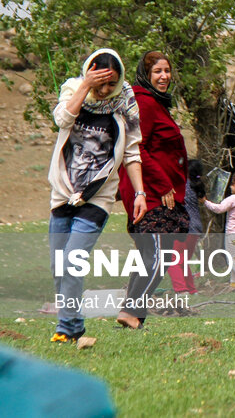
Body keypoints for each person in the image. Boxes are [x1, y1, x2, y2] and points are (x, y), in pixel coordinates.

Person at [47, 49, 146, 342]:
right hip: (63, 192)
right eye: (101, 83)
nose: (106, 90)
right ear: (89, 72)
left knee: (71, 260)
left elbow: (131, 151)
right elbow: (62, 120)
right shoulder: (73, 89)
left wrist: (139, 192)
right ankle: (75, 324)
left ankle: (65, 330)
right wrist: (85, 86)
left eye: (111, 84)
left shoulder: (125, 103)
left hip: (98, 196)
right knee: (58, 265)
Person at [117, 51, 189, 329]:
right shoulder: (144, 103)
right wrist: (163, 184)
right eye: (157, 71)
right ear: (146, 75)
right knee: (157, 256)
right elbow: (137, 148)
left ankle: (133, 316)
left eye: (167, 71)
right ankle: (131, 313)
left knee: (155, 255)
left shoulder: (157, 103)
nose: (164, 76)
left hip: (162, 193)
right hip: (149, 193)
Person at [201, 171, 235, 290]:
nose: (230, 186)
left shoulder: (233, 199)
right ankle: (233, 284)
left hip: (232, 234)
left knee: (231, 260)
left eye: (232, 184)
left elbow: (219, 208)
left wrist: (205, 202)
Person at [167, 158, 206, 295]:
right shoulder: (197, 186)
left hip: (182, 227)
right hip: (195, 228)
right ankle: (191, 290)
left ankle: (181, 289)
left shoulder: (181, 185)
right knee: (183, 261)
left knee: (172, 259)